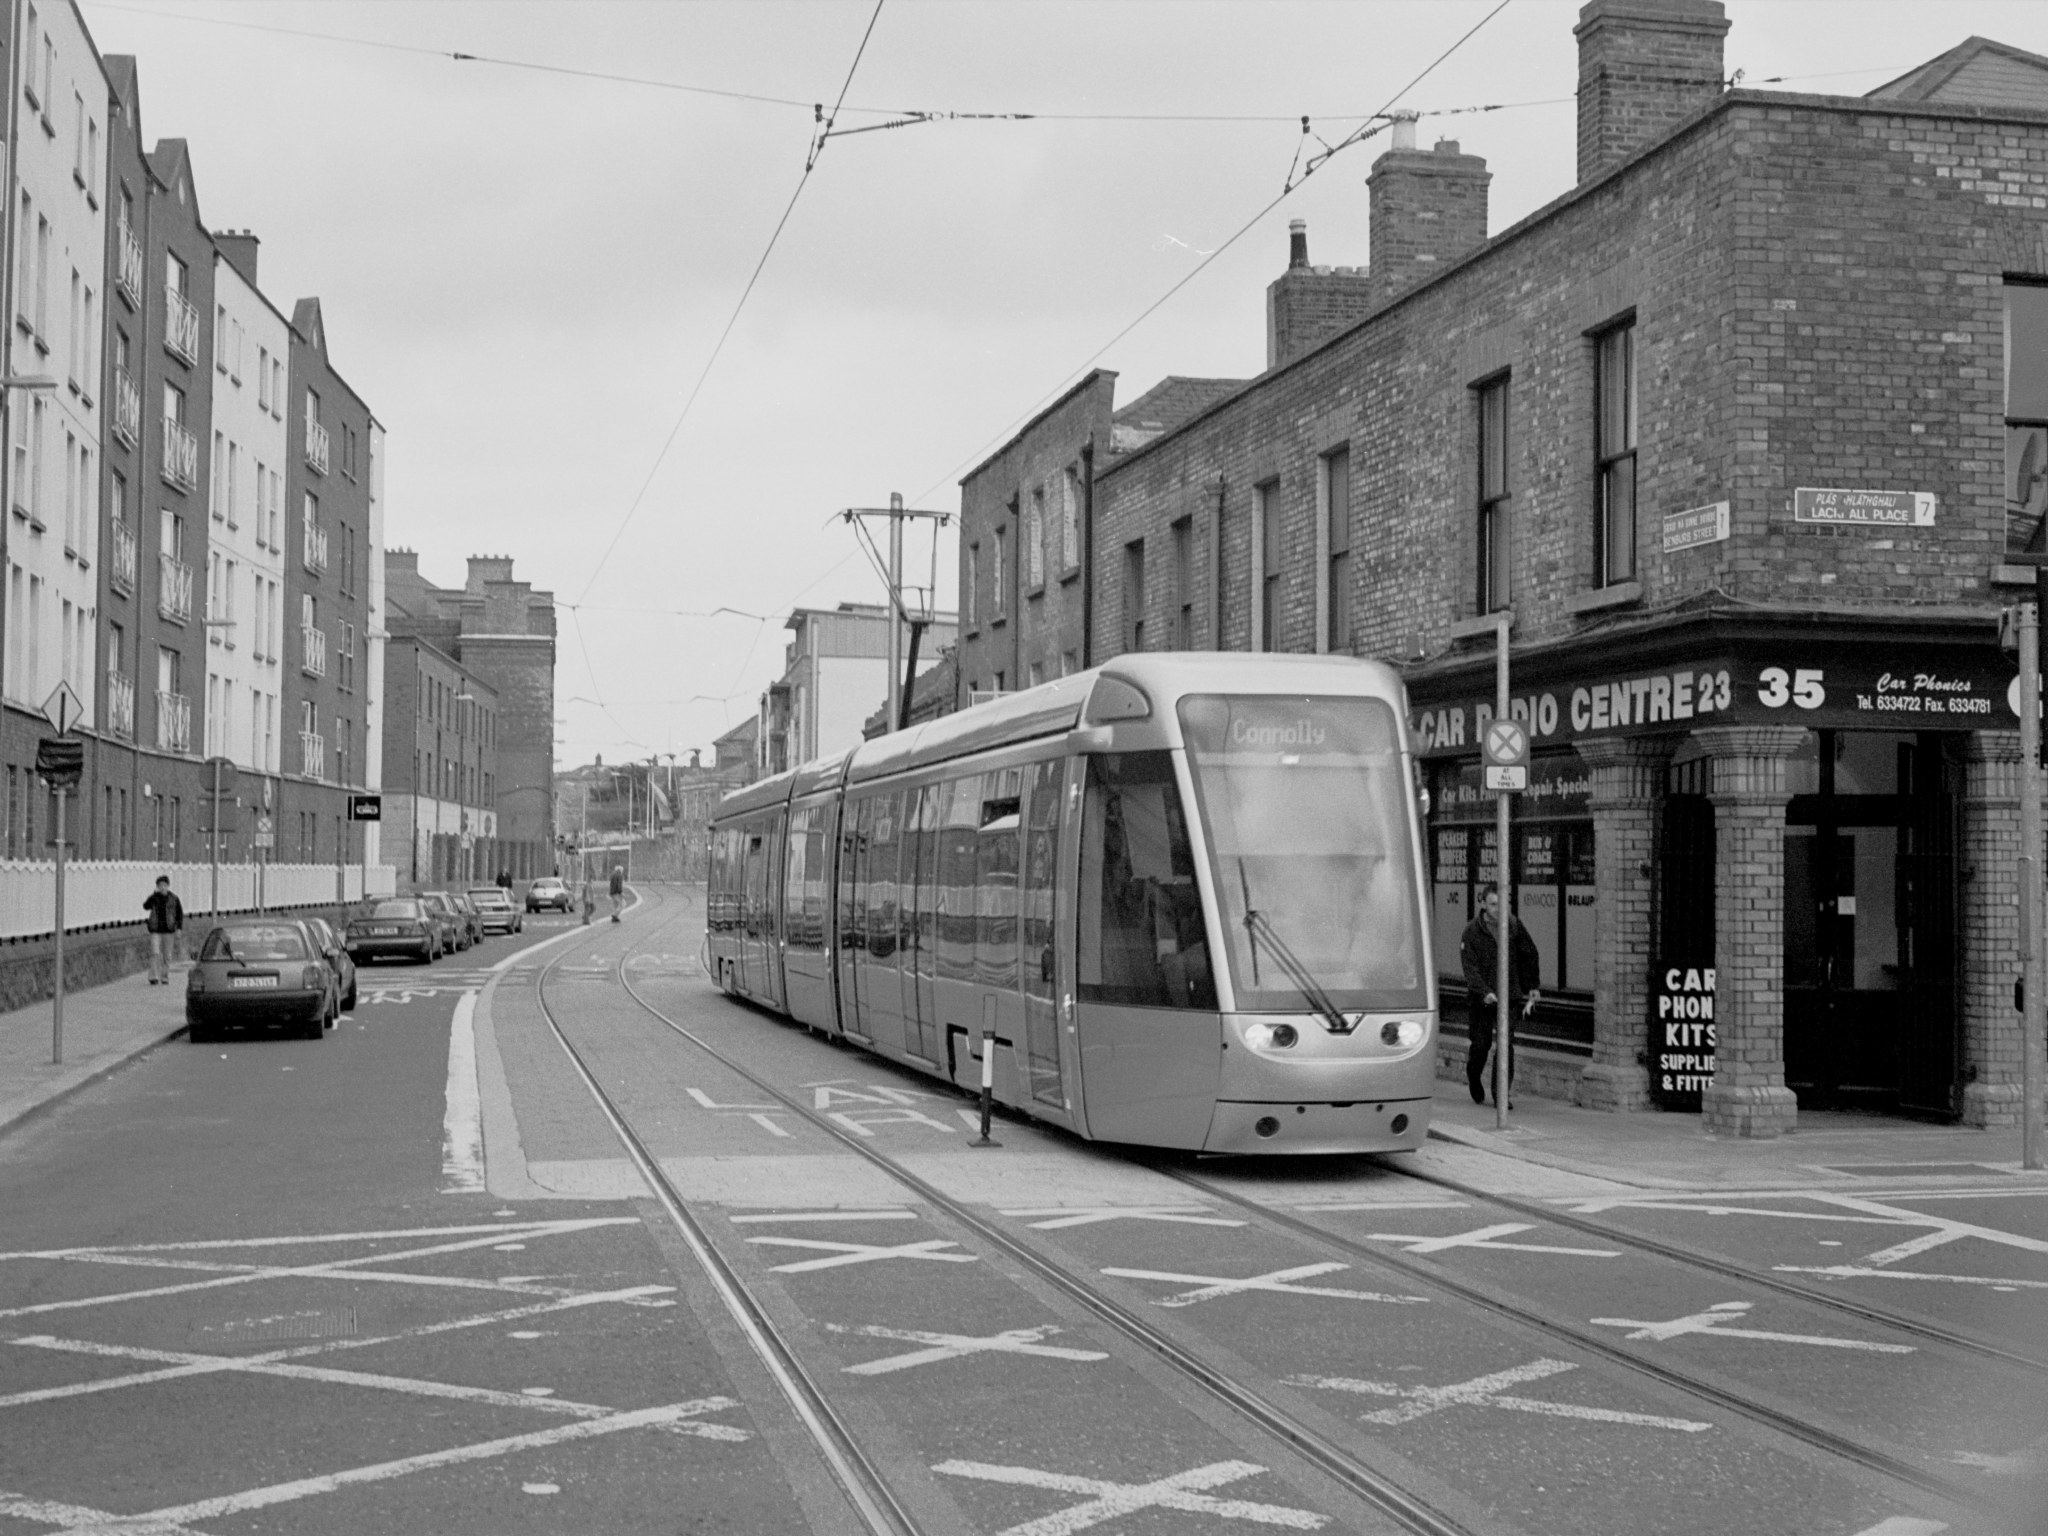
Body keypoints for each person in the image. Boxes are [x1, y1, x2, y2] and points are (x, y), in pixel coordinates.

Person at [1459, 886, 1540, 1105]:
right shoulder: (1472, 932)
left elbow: (1528, 954)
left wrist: (1532, 985)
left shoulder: (1513, 926)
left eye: (1502, 904)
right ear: (1483, 904)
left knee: (1505, 1045)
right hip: (1482, 999)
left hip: (1509, 996)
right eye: (1494, 904)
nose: (1498, 909)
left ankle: (1500, 1095)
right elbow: (1470, 968)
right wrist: (1484, 992)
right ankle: (1474, 1077)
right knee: (1481, 1045)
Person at [143, 875, 185, 986]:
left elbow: (179, 914)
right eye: (160, 885)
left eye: (164, 885)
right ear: (157, 886)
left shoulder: (174, 899)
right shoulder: (154, 898)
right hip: (155, 930)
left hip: (169, 930)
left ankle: (164, 976)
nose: (163, 888)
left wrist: (179, 928)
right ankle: (153, 977)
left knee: (167, 955)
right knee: (155, 953)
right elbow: (145, 906)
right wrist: (152, 896)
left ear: (168, 886)